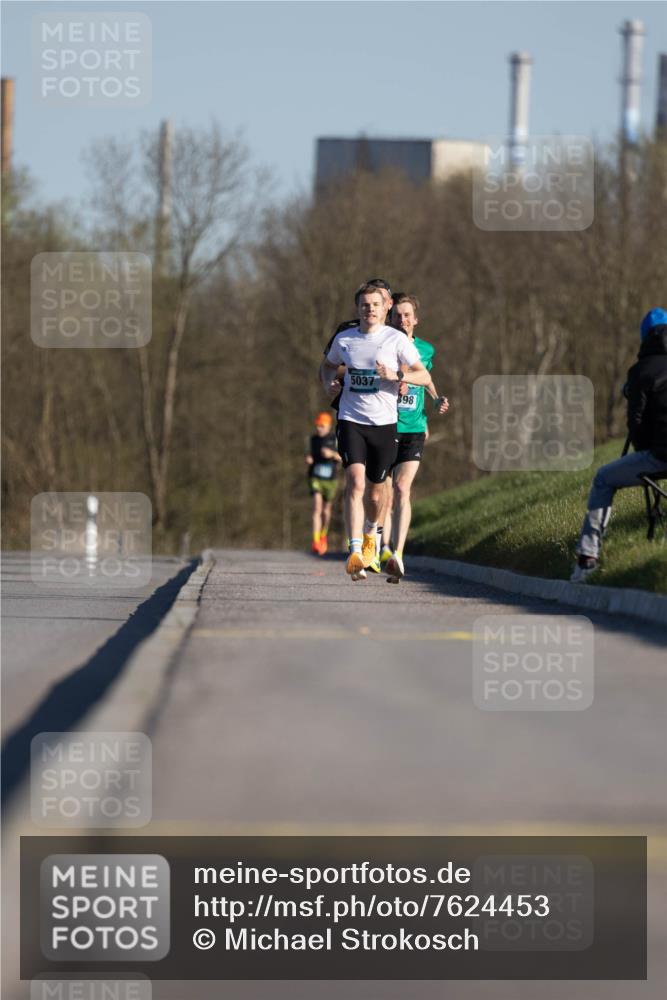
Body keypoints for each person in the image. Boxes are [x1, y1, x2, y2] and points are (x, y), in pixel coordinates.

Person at [320, 282, 431, 580]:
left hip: (384, 424)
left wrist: (396, 374)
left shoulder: (396, 340)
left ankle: (371, 533)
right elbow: (327, 366)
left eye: (375, 305)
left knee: (375, 492)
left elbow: (423, 374)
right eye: (364, 305)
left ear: (385, 309)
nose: (369, 309)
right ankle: (355, 550)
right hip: (351, 420)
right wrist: (327, 383)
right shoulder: (345, 339)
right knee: (354, 482)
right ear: (358, 309)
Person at [571, 308, 667, 582]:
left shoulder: (640, 371)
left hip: (660, 456)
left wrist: (645, 449)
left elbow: (635, 424)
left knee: (603, 478)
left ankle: (587, 559)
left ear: (644, 337)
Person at [379, 294, 450, 582]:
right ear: (391, 318)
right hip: (384, 425)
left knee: (402, 489)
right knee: (383, 492)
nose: (402, 319)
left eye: (407, 315)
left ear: (415, 319)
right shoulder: (382, 346)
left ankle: (398, 553)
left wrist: (435, 399)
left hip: (414, 427)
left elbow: (426, 377)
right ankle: (382, 548)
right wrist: (395, 380)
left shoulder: (425, 350)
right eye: (397, 315)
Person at [305, 411, 342, 555]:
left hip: (330, 479)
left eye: (322, 426)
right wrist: (308, 458)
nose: (319, 428)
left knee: (326, 511)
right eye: (318, 425)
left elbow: (344, 458)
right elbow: (309, 453)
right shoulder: (313, 439)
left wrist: (332, 455)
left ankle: (323, 534)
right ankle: (315, 541)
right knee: (317, 507)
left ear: (328, 426)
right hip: (315, 477)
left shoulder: (335, 439)